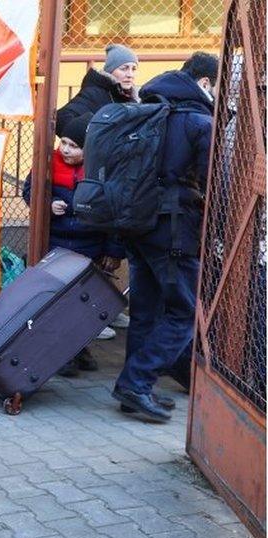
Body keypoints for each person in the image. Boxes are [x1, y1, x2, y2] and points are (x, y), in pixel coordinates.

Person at [112, 52, 218, 423]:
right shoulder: (200, 122)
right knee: (183, 311)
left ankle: (136, 390)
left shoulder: (149, 107)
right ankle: (136, 383)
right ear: (205, 83)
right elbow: (211, 183)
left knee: (145, 309)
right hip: (174, 229)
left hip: (135, 222)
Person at [23, 112, 124, 374]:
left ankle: (79, 349)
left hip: (90, 247)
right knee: (58, 302)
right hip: (56, 245)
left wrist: (113, 250)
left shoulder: (101, 170)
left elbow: (115, 213)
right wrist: (46, 204)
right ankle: (62, 354)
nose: (65, 150)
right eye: (63, 143)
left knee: (84, 304)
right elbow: (28, 191)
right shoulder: (46, 163)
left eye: (74, 146)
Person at [56, 44, 139, 137]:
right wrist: (91, 141)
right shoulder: (95, 92)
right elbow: (61, 118)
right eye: (124, 69)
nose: (130, 74)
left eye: (134, 69)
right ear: (110, 70)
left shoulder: (134, 97)